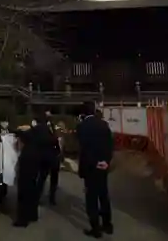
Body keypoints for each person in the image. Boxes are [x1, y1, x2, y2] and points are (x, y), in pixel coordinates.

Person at [77, 101, 114, 239]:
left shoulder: (82, 127)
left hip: (90, 167)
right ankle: (107, 224)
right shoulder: (104, 124)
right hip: (103, 166)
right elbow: (110, 145)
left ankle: (95, 228)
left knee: (91, 198)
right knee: (103, 195)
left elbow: (84, 150)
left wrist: (94, 162)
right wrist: (106, 161)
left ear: (83, 113)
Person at [14, 127, 40, 227]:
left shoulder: (26, 153)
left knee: (23, 196)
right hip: (33, 176)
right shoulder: (34, 149)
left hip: (25, 177)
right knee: (32, 194)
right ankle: (33, 215)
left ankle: (22, 220)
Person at [36, 110, 61, 205]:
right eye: (47, 116)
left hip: (54, 156)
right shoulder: (42, 128)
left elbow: (58, 139)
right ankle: (38, 197)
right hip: (45, 156)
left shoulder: (54, 127)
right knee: (42, 177)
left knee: (54, 178)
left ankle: (52, 197)